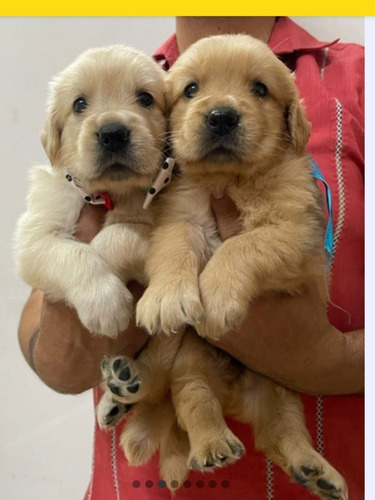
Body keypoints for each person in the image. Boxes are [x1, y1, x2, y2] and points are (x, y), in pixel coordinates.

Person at [18, 17, 364, 500]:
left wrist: (327, 360)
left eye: (260, 89)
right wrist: (101, 269)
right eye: (192, 90)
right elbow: (58, 362)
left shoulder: (358, 79)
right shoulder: (143, 78)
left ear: (292, 118)